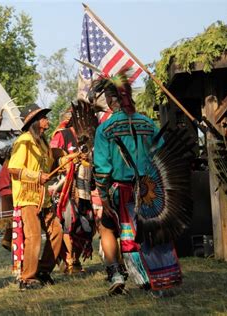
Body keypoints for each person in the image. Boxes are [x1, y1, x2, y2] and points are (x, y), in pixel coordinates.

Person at [91, 72, 182, 295]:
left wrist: (103, 193)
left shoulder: (106, 129)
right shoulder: (147, 123)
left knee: (127, 232)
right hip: (150, 187)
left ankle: (143, 280)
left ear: (113, 100)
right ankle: (165, 277)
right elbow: (161, 153)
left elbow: (102, 168)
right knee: (155, 229)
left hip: (122, 189)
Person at [8, 103, 63, 290]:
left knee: (57, 232)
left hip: (43, 197)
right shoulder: (24, 140)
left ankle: (43, 270)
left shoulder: (42, 142)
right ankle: (27, 278)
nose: (47, 120)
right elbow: (13, 169)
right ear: (34, 121)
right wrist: (37, 176)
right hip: (26, 196)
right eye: (43, 117)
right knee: (33, 236)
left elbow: (48, 169)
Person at [49, 110, 94, 275]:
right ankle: (68, 262)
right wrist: (68, 159)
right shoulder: (62, 134)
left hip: (85, 186)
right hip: (66, 186)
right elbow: (52, 158)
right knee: (69, 222)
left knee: (84, 224)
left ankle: (75, 259)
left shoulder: (87, 137)